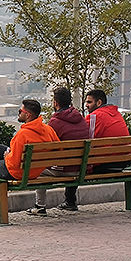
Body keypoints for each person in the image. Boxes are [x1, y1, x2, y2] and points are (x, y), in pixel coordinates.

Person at [59, 89, 131, 212]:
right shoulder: (116, 114)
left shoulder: (94, 116)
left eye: (89, 102)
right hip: (123, 162)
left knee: (76, 165)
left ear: (99, 102)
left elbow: (86, 141)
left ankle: (70, 201)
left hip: (106, 164)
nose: (86, 105)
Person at [27, 87, 91, 216]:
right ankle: (70, 202)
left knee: (38, 169)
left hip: (65, 169)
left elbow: (46, 146)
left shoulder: (55, 122)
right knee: (70, 160)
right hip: (81, 168)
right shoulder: (81, 119)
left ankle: (40, 206)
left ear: (55, 103)